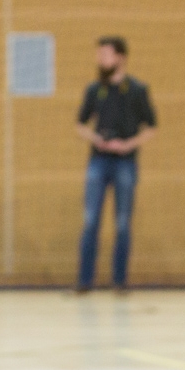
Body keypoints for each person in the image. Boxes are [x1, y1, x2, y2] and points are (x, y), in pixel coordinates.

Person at [74, 36, 156, 293]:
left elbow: (152, 127)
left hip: (125, 163)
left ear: (120, 58)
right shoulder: (94, 90)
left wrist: (128, 144)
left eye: (105, 55)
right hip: (98, 161)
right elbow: (79, 124)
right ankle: (84, 281)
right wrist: (96, 139)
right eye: (99, 55)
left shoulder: (137, 90)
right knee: (90, 220)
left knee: (122, 222)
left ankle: (119, 281)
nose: (100, 59)